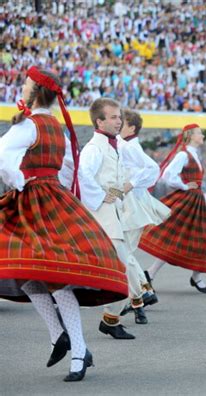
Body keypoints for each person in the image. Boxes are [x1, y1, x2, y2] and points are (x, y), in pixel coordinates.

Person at [0, 67, 128, 381]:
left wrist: (19, 181)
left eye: (27, 83)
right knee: (33, 276)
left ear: (34, 92)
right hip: (54, 198)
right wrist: (65, 198)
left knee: (51, 279)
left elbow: (2, 157)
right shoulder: (57, 127)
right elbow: (69, 167)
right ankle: (62, 337)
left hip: (33, 199)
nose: (23, 86)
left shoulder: (29, 125)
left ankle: (78, 348)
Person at [79, 98, 149, 334]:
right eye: (113, 117)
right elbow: (83, 176)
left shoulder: (113, 146)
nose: (119, 121)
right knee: (122, 265)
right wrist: (101, 197)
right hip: (102, 214)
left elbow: (127, 176)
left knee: (122, 265)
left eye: (119, 117)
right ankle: (116, 313)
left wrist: (118, 191)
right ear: (99, 121)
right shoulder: (94, 148)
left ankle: (111, 319)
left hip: (113, 211)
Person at [139, 124, 206, 293]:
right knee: (175, 237)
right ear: (190, 136)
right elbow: (168, 175)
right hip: (188, 199)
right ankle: (151, 273)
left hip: (195, 199)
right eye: (199, 133)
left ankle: (195, 277)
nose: (202, 135)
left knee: (201, 238)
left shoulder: (194, 154)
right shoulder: (183, 154)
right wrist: (185, 186)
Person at [117, 108, 170, 313]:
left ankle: (140, 293)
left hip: (133, 204)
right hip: (130, 202)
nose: (118, 125)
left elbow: (152, 168)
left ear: (131, 128)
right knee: (124, 251)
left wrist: (131, 183)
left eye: (121, 122)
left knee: (124, 251)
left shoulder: (129, 146)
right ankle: (143, 290)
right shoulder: (125, 144)